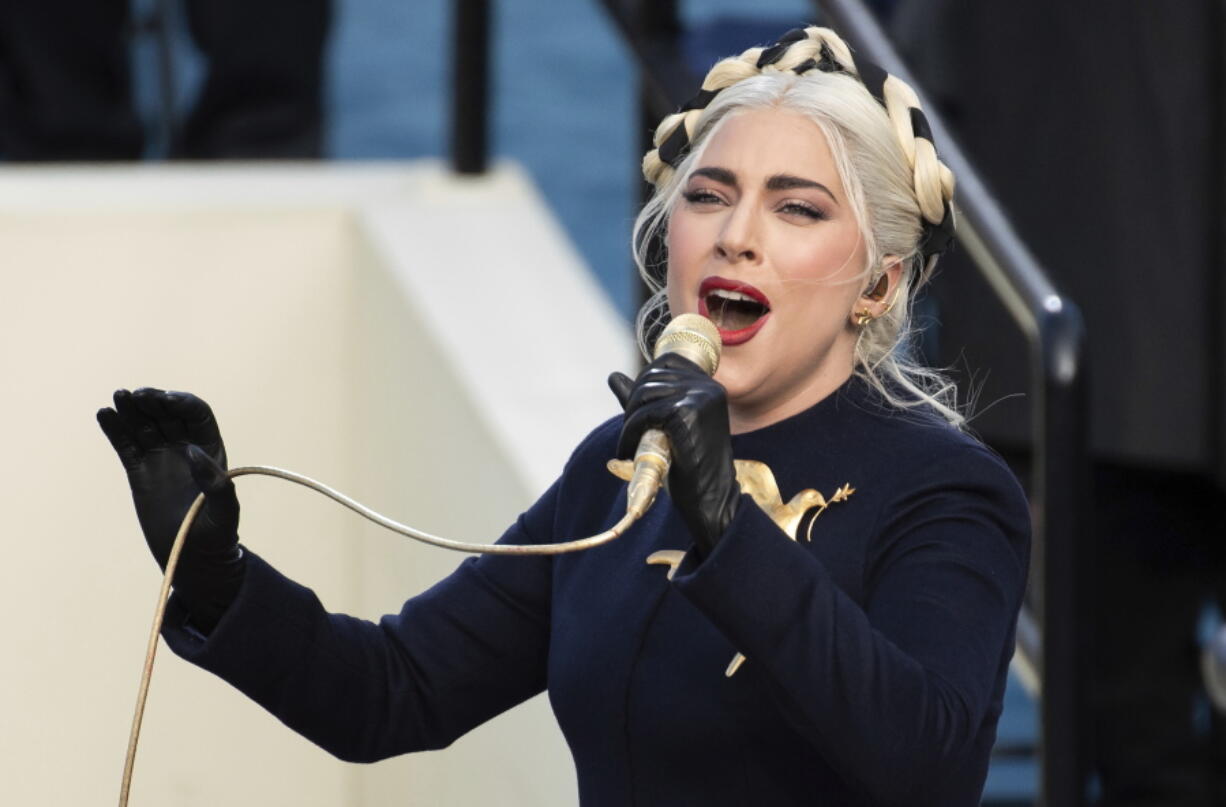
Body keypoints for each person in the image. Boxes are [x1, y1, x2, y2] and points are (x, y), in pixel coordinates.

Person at [97, 26, 1030, 806]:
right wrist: (217, 573)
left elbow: (928, 764)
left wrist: (727, 526)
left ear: (878, 281)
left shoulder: (946, 490)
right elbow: (392, 691)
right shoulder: (621, 470)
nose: (735, 232)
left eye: (797, 209)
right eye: (708, 195)